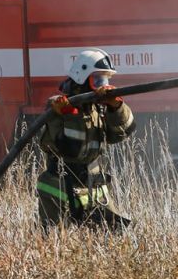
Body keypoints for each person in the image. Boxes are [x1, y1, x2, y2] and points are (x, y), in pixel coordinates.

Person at [37, 48, 135, 230]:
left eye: (105, 81)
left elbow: (122, 133)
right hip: (59, 189)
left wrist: (116, 107)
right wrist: (71, 115)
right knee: (54, 245)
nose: (103, 87)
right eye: (98, 80)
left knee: (114, 238)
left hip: (94, 188)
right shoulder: (57, 107)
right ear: (81, 78)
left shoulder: (99, 108)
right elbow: (69, 148)